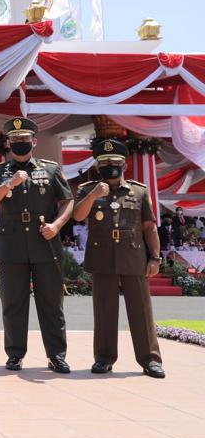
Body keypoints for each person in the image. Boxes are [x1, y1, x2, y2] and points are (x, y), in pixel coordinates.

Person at [0, 117, 73, 373]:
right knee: (13, 302)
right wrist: (10, 183)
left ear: (34, 141)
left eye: (24, 140)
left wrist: (56, 225)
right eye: (15, 140)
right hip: (12, 243)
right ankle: (14, 354)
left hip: (44, 240)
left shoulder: (51, 169)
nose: (20, 144)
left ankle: (56, 355)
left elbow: (67, 200)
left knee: (51, 303)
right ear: (8, 143)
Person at [73, 139, 165, 378]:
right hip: (102, 255)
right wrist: (94, 194)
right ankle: (104, 358)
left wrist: (155, 257)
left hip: (133, 255)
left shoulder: (138, 190)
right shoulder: (87, 189)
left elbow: (149, 227)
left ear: (124, 165)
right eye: (104, 162)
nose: (110, 166)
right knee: (105, 310)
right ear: (97, 166)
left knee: (141, 310)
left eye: (114, 162)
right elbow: (78, 216)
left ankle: (150, 360)